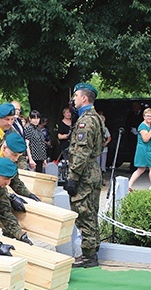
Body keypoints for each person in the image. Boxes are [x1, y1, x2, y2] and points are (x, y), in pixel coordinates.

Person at [62, 82, 105, 268]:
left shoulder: (86, 121)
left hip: (85, 173)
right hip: (92, 170)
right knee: (91, 212)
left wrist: (73, 177)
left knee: (84, 213)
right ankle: (92, 251)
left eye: (76, 96)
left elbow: (81, 151)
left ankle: (88, 256)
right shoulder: (96, 118)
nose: (74, 100)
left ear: (84, 98)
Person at [128, 107, 151, 190]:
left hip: (149, 149)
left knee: (141, 169)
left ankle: (129, 185)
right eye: (147, 116)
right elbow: (145, 139)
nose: (149, 118)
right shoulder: (142, 126)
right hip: (144, 149)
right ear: (144, 116)